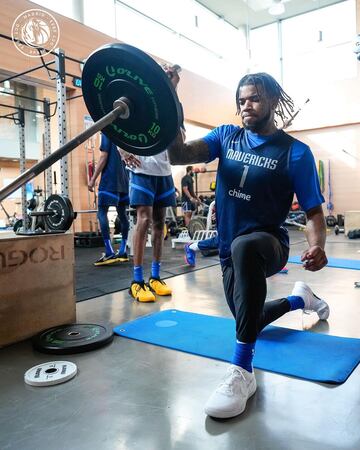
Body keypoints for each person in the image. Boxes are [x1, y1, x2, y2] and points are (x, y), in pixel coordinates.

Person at [168, 72, 329, 419]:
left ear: (271, 100)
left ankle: (242, 372)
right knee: (249, 320)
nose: (246, 106)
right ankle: (301, 299)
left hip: (269, 243)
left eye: (254, 98)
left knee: (245, 249)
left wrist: (318, 245)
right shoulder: (226, 137)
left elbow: (314, 212)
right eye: (241, 100)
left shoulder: (295, 153)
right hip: (230, 249)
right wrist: (169, 97)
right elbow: (177, 154)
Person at [121, 64, 183, 303]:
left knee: (159, 224)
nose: (167, 77)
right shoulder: (140, 93)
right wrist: (121, 148)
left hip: (164, 170)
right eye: (165, 74)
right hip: (142, 168)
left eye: (171, 76)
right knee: (143, 220)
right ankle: (137, 281)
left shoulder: (175, 104)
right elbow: (118, 125)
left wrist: (174, 90)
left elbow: (180, 135)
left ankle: (155, 277)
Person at [88, 133, 129, 266]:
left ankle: (109, 251)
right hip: (124, 181)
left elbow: (103, 157)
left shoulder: (107, 131)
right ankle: (122, 250)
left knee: (101, 212)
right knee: (123, 215)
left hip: (109, 180)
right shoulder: (124, 132)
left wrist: (93, 179)